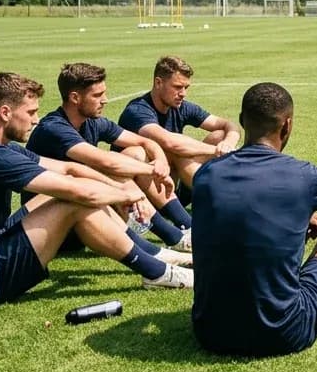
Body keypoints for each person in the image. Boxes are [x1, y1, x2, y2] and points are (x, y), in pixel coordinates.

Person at [0, 73, 192, 309]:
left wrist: (124, 187)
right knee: (74, 201)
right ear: (5, 113)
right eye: (31, 113)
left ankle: (155, 255)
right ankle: (157, 272)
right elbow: (80, 192)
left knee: (61, 193)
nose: (35, 120)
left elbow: (71, 170)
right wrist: (129, 195)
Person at [192, 82, 317, 357]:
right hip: (283, 331)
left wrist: (293, 219)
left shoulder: (207, 174)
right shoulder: (304, 176)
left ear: (242, 121)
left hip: (209, 331)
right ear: (287, 126)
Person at [26, 62, 194, 257]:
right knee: (112, 166)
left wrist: (159, 160)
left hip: (85, 211)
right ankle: (174, 238)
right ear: (74, 98)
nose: (105, 100)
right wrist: (152, 172)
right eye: (97, 95)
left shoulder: (94, 122)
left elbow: (144, 142)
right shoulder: (54, 128)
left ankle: (180, 233)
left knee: (134, 152)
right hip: (51, 225)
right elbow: (106, 162)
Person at [117, 55, 242, 198]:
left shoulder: (181, 107)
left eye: (186, 87)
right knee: (176, 151)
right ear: (158, 83)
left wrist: (228, 144)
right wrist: (217, 150)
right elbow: (170, 142)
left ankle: (216, 195)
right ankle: (220, 198)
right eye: (177, 87)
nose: (183, 94)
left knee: (219, 135)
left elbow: (230, 125)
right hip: (140, 188)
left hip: (170, 181)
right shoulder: (138, 111)